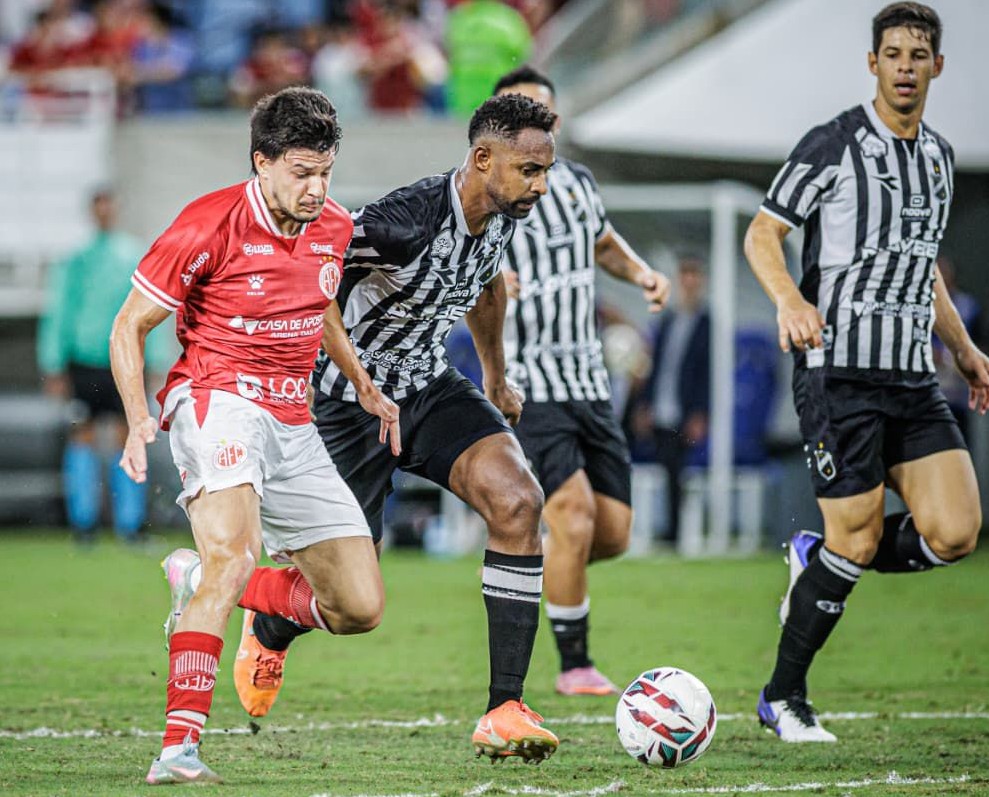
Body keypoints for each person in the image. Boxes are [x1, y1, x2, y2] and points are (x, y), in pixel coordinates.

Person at [236, 92, 562, 762]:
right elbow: (315, 278)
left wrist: (496, 376)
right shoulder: (403, 221)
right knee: (349, 599)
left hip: (426, 387)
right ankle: (267, 622)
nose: (540, 185)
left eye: (545, 171)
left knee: (519, 500)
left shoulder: (502, 214)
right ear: (483, 159)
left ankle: (504, 708)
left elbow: (487, 286)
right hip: (345, 406)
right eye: (529, 170)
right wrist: (349, 377)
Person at [110, 86, 401, 784]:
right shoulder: (208, 223)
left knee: (359, 606)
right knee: (234, 557)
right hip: (218, 398)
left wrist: (362, 381)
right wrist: (137, 417)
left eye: (325, 172)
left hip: (293, 418)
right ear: (261, 162)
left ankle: (194, 576)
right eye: (301, 172)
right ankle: (178, 747)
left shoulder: (333, 225)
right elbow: (129, 325)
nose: (316, 188)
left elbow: (319, 302)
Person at [743, 2, 989, 742]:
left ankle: (817, 560)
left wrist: (964, 349)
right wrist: (791, 299)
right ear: (873, 64)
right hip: (838, 376)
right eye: (892, 54)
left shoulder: (940, 158)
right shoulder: (833, 143)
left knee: (955, 532)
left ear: (936, 66)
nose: (904, 68)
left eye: (917, 56)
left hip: (913, 380)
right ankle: (782, 698)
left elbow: (922, 272)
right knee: (856, 541)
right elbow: (763, 233)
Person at [493, 66, 670, 696]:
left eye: (537, 114)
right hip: (531, 384)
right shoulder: (487, 192)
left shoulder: (578, 184)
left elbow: (602, 242)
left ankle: (518, 566)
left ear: (556, 122)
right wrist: (487, 281)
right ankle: (575, 666)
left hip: (591, 382)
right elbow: (453, 265)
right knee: (571, 516)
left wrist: (641, 273)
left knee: (612, 533)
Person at [38, 187, 173, 544]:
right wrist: (53, 362)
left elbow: (151, 307)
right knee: (81, 435)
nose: (105, 212)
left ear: (116, 210)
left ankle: (130, 525)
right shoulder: (77, 259)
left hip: (124, 359)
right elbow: (60, 309)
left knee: (127, 436)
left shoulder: (133, 255)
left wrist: (155, 358)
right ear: (92, 211)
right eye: (99, 206)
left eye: (109, 206)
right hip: (84, 360)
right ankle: (83, 524)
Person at [632, 256, 710, 545]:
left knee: (678, 469)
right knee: (665, 467)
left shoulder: (707, 325)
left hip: (686, 414)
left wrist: (701, 412)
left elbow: (707, 374)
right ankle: (659, 528)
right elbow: (656, 368)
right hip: (661, 410)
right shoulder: (667, 321)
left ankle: (675, 533)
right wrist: (645, 404)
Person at [931, 255, 982, 443]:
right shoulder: (915, 305)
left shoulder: (968, 306)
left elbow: (979, 344)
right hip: (924, 395)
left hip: (957, 396)